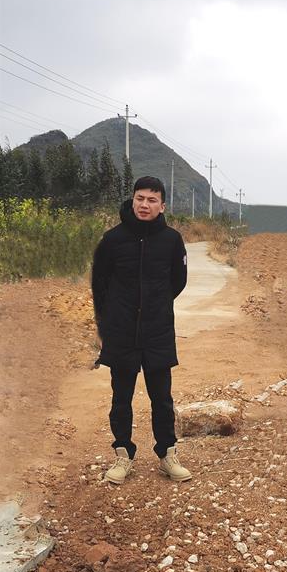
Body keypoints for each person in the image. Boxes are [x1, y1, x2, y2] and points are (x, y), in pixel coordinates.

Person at [91, 176, 192, 484]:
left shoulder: (172, 240)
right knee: (121, 398)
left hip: (157, 331)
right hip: (121, 331)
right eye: (140, 198)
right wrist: (109, 321)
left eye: (151, 200)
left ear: (162, 206)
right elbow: (99, 284)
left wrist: (155, 303)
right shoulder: (112, 239)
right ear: (132, 199)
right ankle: (123, 455)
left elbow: (178, 281)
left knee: (162, 398)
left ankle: (167, 455)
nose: (144, 204)